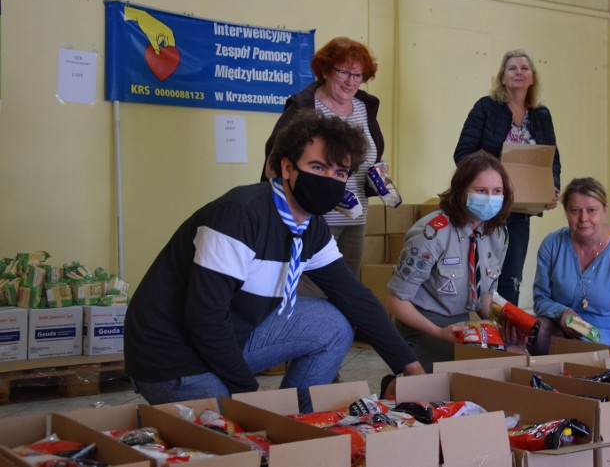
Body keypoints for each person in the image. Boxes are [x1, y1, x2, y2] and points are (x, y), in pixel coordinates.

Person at [125, 111, 424, 412]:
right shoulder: (239, 215)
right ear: (286, 167)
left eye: (339, 173)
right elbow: (205, 319)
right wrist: (254, 394)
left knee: (333, 324)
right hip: (171, 356)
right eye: (317, 167)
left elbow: (355, 297)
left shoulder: (311, 226)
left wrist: (409, 366)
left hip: (230, 335)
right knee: (242, 444)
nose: (329, 180)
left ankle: (299, 418)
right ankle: (277, 419)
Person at [262, 36, 383, 279]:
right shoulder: (304, 107)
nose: (351, 82)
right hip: (311, 217)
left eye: (358, 75)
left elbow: (366, 158)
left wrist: (380, 177)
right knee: (307, 289)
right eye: (344, 73)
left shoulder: (364, 108)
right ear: (326, 71)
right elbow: (272, 168)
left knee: (346, 289)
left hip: (356, 219)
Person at [386, 152, 515, 372]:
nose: (490, 198)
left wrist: (510, 321)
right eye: (481, 191)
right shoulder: (431, 233)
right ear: (461, 190)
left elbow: (484, 298)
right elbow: (396, 301)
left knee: (515, 361)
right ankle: (396, 384)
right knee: (440, 386)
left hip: (461, 327)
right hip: (422, 328)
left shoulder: (496, 233)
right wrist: (438, 332)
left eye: (497, 191)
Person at [453, 48, 560, 307]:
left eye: (525, 68)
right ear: (502, 77)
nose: (519, 73)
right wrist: (492, 175)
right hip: (484, 206)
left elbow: (551, 159)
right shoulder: (486, 108)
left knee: (511, 276)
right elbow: (463, 154)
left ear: (532, 78)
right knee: (480, 272)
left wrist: (552, 187)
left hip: (520, 209)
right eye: (512, 68)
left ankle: (508, 337)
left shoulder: (541, 115)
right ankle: (477, 334)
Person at [531, 177, 610, 355]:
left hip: (609, 343)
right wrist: (562, 313)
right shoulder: (552, 244)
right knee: (536, 329)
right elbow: (540, 300)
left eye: (592, 210)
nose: (583, 218)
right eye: (575, 210)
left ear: (605, 211)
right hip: (563, 334)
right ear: (566, 212)